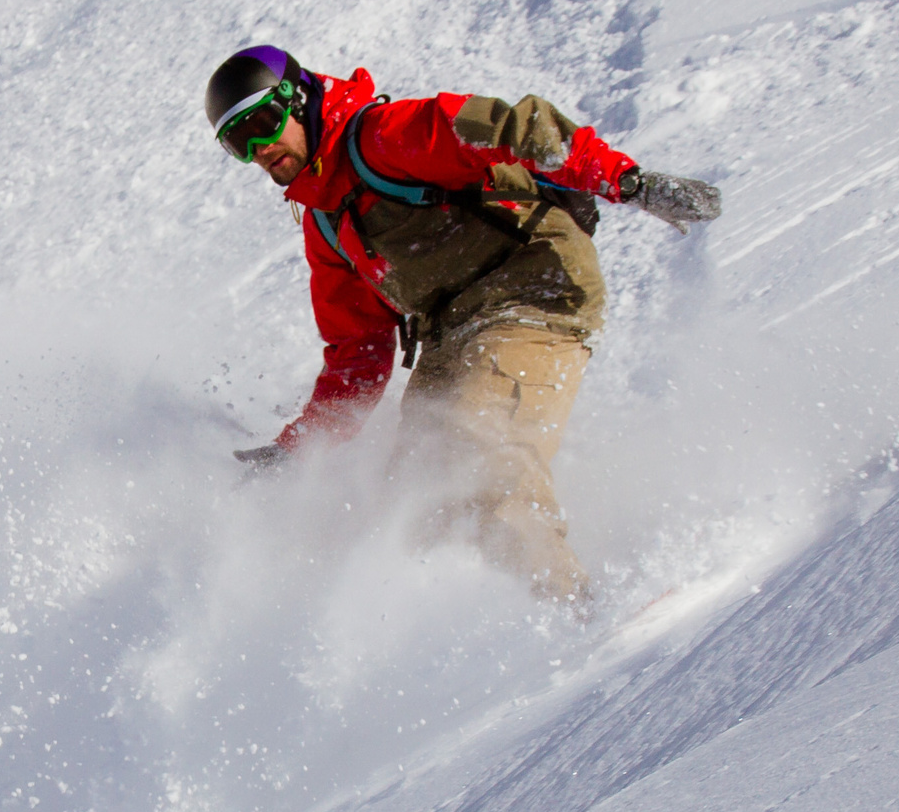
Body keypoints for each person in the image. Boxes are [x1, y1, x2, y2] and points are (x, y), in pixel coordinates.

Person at [207, 44, 721, 613]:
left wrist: (628, 182)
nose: (259, 151)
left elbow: (515, 128)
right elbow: (358, 350)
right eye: (238, 143)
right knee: (417, 501)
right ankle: (506, 643)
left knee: (479, 455)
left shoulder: (384, 136)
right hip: (452, 333)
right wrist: (302, 448)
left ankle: (581, 615)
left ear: (296, 100)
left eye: (262, 124)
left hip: (532, 285)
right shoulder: (326, 224)